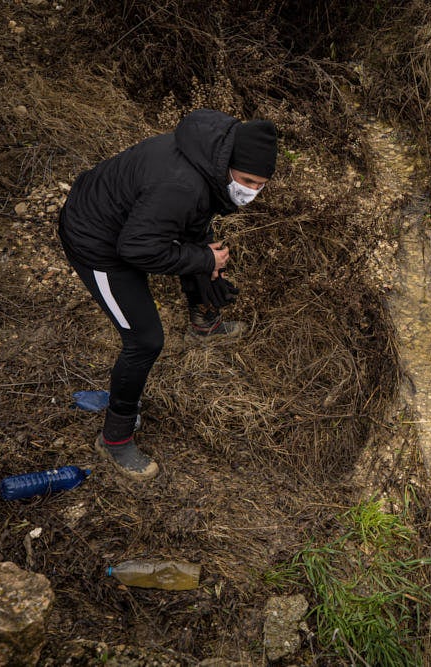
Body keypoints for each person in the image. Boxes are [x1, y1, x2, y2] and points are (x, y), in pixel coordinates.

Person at [57, 109, 277, 481]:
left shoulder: (209, 155)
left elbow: (190, 221)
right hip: (98, 242)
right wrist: (202, 256)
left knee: (202, 243)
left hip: (131, 222)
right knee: (144, 340)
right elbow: (137, 249)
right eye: (247, 181)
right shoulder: (181, 186)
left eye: (261, 184)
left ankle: (204, 322)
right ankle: (115, 440)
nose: (252, 192)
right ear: (228, 167)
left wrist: (203, 254)